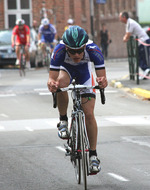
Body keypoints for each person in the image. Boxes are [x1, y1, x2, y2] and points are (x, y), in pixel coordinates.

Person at [47, 26, 108, 174]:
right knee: (61, 84)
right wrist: (52, 84)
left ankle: (93, 155)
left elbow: (102, 78)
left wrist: (102, 82)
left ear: (85, 46)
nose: (77, 54)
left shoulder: (94, 50)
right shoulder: (59, 50)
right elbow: (51, 78)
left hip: (85, 73)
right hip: (66, 69)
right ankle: (63, 120)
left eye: (80, 50)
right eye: (72, 51)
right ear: (66, 47)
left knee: (89, 114)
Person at [119, 11, 150, 79]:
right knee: (139, 57)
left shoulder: (130, 23)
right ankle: (145, 72)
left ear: (124, 17)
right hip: (140, 43)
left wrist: (124, 38)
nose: (120, 19)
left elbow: (127, 35)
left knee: (144, 58)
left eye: (120, 17)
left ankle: (146, 70)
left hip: (144, 41)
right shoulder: (128, 23)